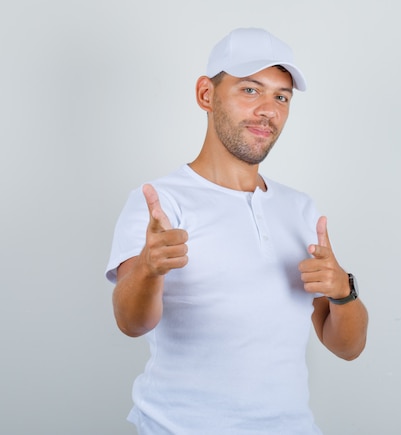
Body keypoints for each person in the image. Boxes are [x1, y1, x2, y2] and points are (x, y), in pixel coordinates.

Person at [105, 27, 368, 434]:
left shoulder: (300, 209)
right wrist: (148, 268)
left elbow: (347, 347)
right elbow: (130, 322)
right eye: (250, 90)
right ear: (206, 95)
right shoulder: (160, 202)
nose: (269, 110)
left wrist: (343, 292)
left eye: (281, 96)